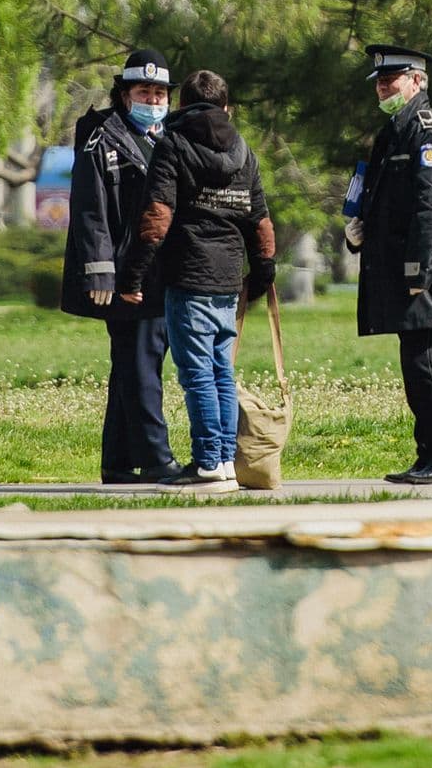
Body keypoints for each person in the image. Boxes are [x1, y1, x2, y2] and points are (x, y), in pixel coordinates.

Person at [117, 70, 276, 493]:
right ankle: (224, 461)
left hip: (188, 276)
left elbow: (157, 216)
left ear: (183, 106)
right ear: (227, 108)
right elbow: (259, 221)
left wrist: (133, 275)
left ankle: (207, 464)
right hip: (227, 279)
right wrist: (261, 275)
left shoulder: (173, 143)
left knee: (197, 375)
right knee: (221, 369)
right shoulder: (244, 151)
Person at [344, 44, 432, 484]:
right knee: (416, 366)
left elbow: (431, 210)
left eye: (392, 78)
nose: (384, 86)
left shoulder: (427, 132)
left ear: (418, 81)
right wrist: (358, 231)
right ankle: (429, 455)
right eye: (380, 80)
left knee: (426, 365)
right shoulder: (394, 131)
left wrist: (418, 271)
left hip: (427, 276)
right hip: (408, 275)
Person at [61, 47, 180, 484]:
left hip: (161, 271)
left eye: (159, 92)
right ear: (124, 93)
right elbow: (90, 208)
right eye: (143, 91)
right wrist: (99, 271)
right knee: (141, 364)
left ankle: (117, 461)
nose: (152, 100)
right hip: (127, 274)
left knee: (130, 365)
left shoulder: (167, 135)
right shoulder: (103, 135)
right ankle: (155, 458)